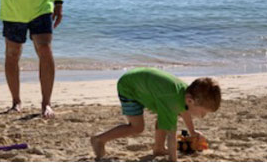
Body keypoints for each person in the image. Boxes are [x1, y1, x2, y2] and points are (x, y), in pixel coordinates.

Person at [90, 67, 221, 161]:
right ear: (190, 100)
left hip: (144, 85)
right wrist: (173, 160)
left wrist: (192, 132)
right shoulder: (172, 101)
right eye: (203, 112)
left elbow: (184, 110)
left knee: (165, 118)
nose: (203, 116)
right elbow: (171, 135)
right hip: (129, 88)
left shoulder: (187, 93)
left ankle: (158, 148)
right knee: (137, 127)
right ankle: (99, 140)